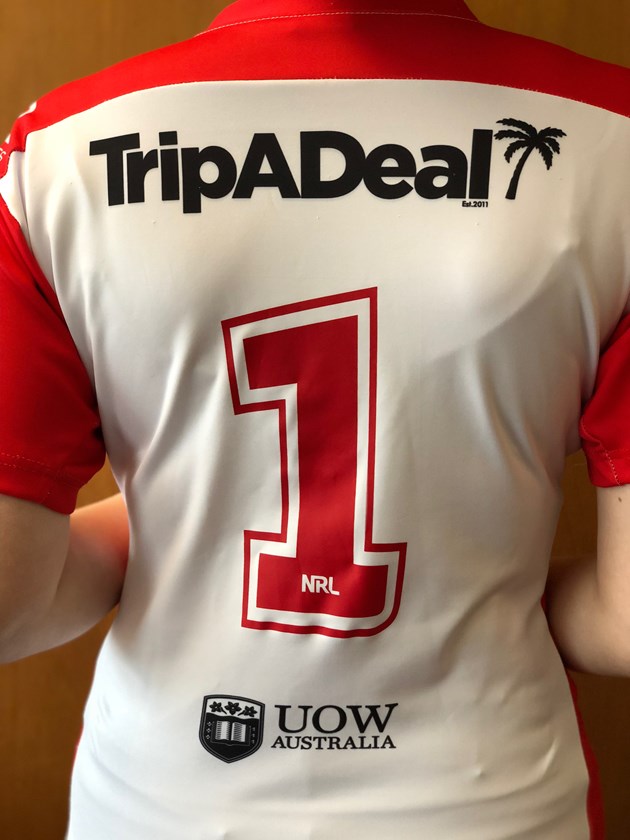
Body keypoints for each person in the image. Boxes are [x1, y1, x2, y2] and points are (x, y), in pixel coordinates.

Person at [0, 0, 628, 837]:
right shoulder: (611, 139)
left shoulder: (56, 155)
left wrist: (168, 525)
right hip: (494, 800)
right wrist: (484, 578)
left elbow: (10, 599)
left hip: (163, 801)